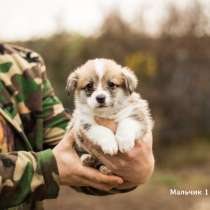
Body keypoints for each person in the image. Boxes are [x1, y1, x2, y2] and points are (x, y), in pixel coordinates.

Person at [0, 44, 154, 210]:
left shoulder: (25, 63)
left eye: (111, 85)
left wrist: (130, 176)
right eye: (89, 87)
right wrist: (48, 167)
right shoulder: (85, 114)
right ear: (74, 87)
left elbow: (65, 143)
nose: (100, 94)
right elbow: (76, 138)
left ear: (127, 85)